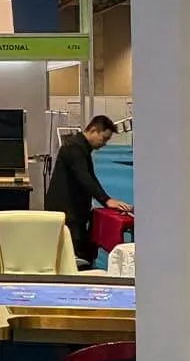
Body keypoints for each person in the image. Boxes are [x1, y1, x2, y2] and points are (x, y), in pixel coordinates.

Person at [44, 115, 132, 269]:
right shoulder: (73, 149)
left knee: (81, 253)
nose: (104, 144)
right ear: (93, 130)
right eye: (104, 138)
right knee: (73, 257)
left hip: (73, 211)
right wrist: (106, 200)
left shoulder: (81, 148)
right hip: (66, 213)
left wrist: (107, 199)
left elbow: (91, 178)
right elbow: (84, 178)